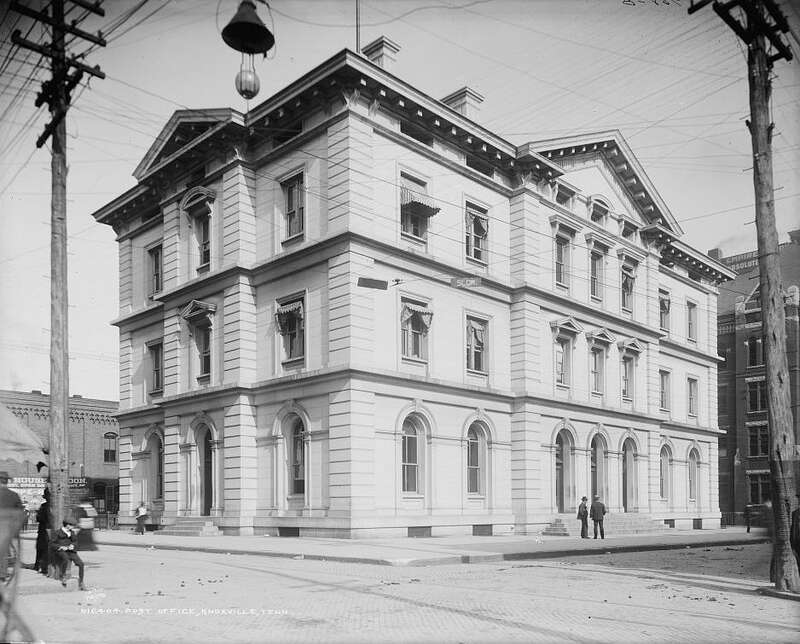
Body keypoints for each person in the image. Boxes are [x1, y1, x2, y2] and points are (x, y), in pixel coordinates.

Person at [51, 519, 86, 591]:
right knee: (66, 559)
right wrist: (60, 547)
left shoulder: (72, 532)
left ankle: (81, 582)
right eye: (72, 525)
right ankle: (63, 576)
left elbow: (75, 541)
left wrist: (73, 545)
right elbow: (52, 544)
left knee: (81, 564)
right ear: (67, 525)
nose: (73, 527)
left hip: (71, 551)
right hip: (61, 551)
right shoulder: (57, 532)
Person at [34, 488, 52, 574]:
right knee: (44, 548)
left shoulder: (44, 506)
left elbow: (39, 518)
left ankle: (39, 566)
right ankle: (42, 566)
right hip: (47, 529)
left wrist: (38, 514)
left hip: (43, 530)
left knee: (41, 548)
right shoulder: (52, 506)